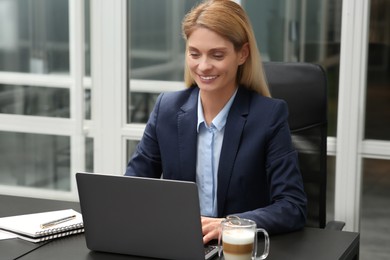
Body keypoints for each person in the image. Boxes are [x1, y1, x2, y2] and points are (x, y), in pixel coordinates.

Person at [125, 0, 307, 244]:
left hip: (238, 250)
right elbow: (132, 189)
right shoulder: (167, 109)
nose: (203, 66)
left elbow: (292, 206)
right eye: (194, 54)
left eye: (217, 55)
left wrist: (231, 225)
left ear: (242, 53)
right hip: (180, 245)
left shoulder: (269, 116)